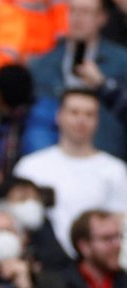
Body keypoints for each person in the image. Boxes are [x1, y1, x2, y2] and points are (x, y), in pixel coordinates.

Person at [14, 89, 127, 259]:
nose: (81, 120)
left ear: (97, 121)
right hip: (42, 264)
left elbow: (121, 222)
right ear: (58, 116)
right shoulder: (30, 167)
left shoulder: (114, 169)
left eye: (89, 114)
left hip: (95, 267)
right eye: (74, 112)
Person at [25, 0, 127, 161]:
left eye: (86, 11)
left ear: (102, 18)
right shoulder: (42, 65)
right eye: (72, 10)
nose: (77, 18)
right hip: (54, 160)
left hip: (108, 160)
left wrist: (104, 85)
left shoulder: (121, 62)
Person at [63, 208, 127, 288]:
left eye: (118, 237)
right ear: (84, 246)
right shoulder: (61, 286)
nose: (117, 244)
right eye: (107, 238)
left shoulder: (124, 282)